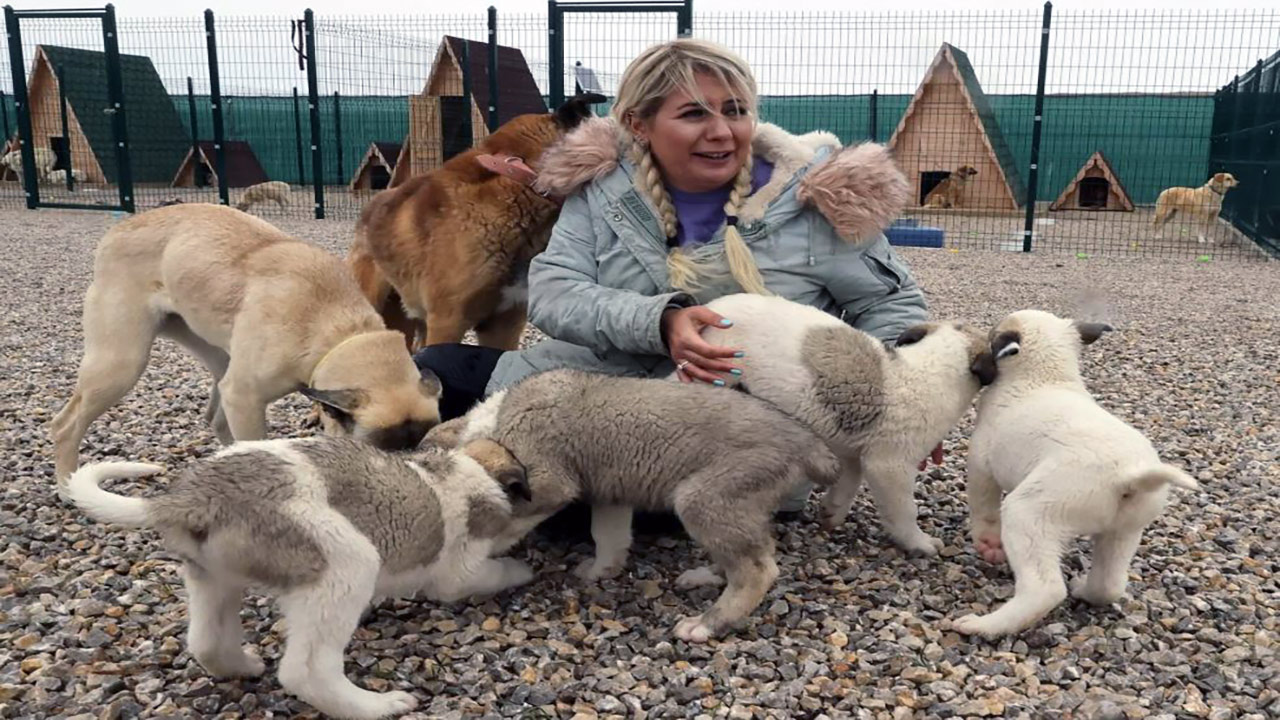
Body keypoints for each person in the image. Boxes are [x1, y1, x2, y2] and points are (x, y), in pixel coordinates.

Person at [416, 37, 928, 514]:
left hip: (726, 431)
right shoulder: (603, 189)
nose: (722, 131)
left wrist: (896, 409)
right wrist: (658, 322)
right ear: (639, 124)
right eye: (693, 114)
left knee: (535, 494)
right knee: (429, 371)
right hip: (598, 387)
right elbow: (553, 292)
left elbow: (890, 306)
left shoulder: (817, 200)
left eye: (736, 111)